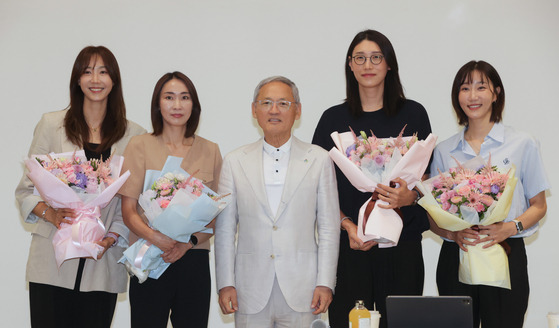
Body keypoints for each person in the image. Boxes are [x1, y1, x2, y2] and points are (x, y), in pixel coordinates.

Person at [14, 46, 146, 328]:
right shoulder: (52, 125)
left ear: (114, 80)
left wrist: (112, 237)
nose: (95, 79)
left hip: (102, 262)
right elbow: (26, 190)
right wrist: (52, 214)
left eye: (103, 71)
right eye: (87, 71)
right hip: (52, 263)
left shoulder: (135, 135)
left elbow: (132, 202)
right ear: (77, 79)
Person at [312, 29, 433, 328]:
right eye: (360, 58)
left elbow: (429, 179)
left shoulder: (414, 114)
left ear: (389, 64)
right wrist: (347, 225)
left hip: (402, 247)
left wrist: (411, 196)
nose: (368, 65)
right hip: (351, 247)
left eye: (376, 57)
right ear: (350, 65)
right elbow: (317, 189)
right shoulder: (332, 119)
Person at [429, 60, 549, 328]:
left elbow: (539, 206)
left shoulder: (522, 143)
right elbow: (433, 217)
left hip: (505, 251)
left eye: (480, 87)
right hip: (457, 254)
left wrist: (509, 227)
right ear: (456, 96)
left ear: (496, 92)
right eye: (464, 88)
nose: (472, 96)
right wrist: (453, 234)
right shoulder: (444, 150)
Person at [215, 76, 340, 327]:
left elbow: (328, 227)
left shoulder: (319, 159)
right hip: (249, 289)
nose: (274, 110)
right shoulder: (234, 160)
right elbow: (225, 229)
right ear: (254, 110)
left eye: (283, 103)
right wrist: (225, 283)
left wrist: (325, 282)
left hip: (303, 289)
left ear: (298, 110)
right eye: (266, 103)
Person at [119, 71, 222, 327]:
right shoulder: (139, 145)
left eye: (184, 98)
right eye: (169, 97)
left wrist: (187, 244)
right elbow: (128, 210)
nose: (177, 105)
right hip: (150, 255)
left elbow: (216, 215)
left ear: (194, 105)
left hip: (193, 259)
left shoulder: (210, 150)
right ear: (158, 104)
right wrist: (157, 238)